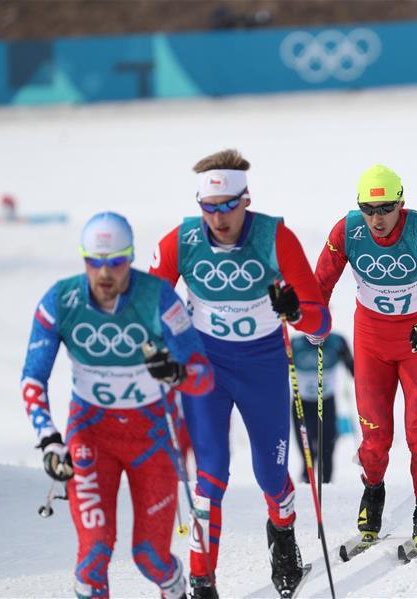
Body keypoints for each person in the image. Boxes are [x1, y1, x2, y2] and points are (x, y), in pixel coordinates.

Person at [149, 149, 330, 597]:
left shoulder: (275, 237)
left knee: (272, 473)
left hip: (263, 364)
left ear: (245, 200)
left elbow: (320, 321)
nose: (219, 217)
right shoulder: (183, 241)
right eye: (209, 208)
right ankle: (201, 579)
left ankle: (284, 534)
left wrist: (296, 312)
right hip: (205, 368)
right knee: (210, 475)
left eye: (228, 205)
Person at [20, 212, 214, 599]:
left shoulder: (156, 297)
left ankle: (174, 588)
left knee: (150, 558)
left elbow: (203, 375)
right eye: (95, 262)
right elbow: (32, 379)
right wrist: (49, 440)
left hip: (152, 439)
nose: (105, 274)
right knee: (93, 554)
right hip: (91, 435)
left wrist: (175, 372)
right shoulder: (60, 300)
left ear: (130, 258)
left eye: (116, 262)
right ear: (84, 259)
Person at [313, 164, 417, 548]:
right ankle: (373, 494)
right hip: (371, 343)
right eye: (369, 209)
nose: (376, 219)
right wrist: (314, 323)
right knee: (375, 436)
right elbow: (319, 287)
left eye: (385, 209)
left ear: (402, 203)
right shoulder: (347, 231)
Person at [289, 331, 354, 483]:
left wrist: (346, 356)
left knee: (327, 452)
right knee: (308, 454)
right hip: (302, 405)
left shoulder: (337, 342)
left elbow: (353, 370)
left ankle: (327, 487)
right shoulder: (295, 344)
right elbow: (276, 370)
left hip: (327, 404)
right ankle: (307, 486)